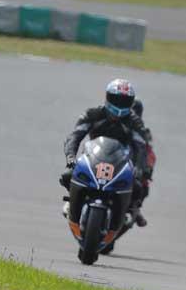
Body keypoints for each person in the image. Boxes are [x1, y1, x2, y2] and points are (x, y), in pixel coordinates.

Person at [60, 79, 152, 227]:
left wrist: (140, 168)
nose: (119, 104)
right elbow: (74, 137)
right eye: (116, 99)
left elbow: (142, 148)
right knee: (67, 176)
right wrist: (71, 156)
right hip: (93, 160)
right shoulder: (93, 114)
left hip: (120, 164)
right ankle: (72, 201)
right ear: (108, 97)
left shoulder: (134, 122)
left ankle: (132, 210)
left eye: (124, 101)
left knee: (138, 187)